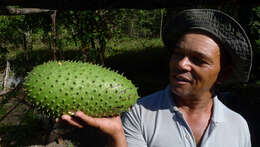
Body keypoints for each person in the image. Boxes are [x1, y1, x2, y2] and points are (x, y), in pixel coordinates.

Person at [60, 9, 253, 147]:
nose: (181, 64)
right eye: (178, 54)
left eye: (198, 60)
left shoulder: (238, 126)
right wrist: (116, 135)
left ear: (224, 73)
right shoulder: (140, 113)